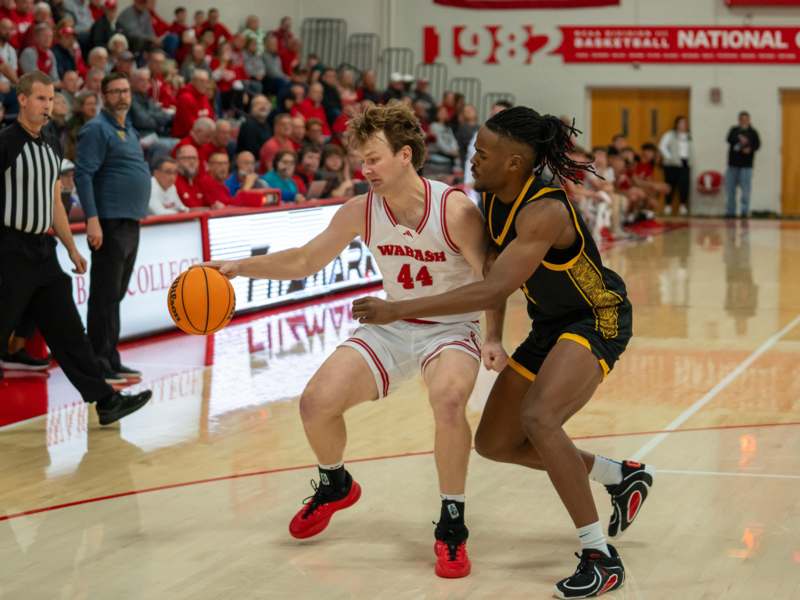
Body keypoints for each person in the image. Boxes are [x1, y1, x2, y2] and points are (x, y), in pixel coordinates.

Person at [353, 106, 655, 598]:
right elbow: (490, 275)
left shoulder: (545, 211)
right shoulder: (491, 199)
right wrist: (492, 337)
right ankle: (618, 477)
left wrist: (398, 309)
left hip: (595, 316)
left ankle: (600, 555)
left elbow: (491, 287)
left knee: (540, 419)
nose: (473, 159)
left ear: (515, 162)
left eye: (483, 153)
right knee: (494, 442)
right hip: (549, 324)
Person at [203, 103, 495, 579]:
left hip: (451, 327)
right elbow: (304, 261)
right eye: (362, 158)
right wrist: (240, 267)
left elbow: (491, 283)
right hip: (393, 326)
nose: (365, 168)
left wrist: (495, 338)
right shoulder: (361, 210)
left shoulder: (454, 209)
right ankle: (336, 483)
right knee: (316, 403)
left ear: (406, 155)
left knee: (448, 399)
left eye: (374, 158)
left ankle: (452, 523)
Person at [0, 71, 151, 423]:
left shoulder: (51, 142)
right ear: (22, 100)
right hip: (10, 249)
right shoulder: (7, 142)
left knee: (68, 330)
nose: (48, 105)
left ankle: (105, 400)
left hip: (43, 249)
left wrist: (70, 247)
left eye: (51, 99)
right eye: (40, 98)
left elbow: (54, 199)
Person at [75, 72, 151, 382]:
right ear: (104, 95)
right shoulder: (96, 129)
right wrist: (92, 219)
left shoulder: (128, 129)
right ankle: (98, 364)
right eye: (115, 91)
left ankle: (111, 357)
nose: (122, 96)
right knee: (104, 295)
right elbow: (83, 174)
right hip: (109, 222)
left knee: (115, 295)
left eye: (125, 90)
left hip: (130, 221)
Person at [725, 111, 761, 219]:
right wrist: (741, 141)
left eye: (746, 119)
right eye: (742, 119)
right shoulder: (734, 130)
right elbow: (729, 139)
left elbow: (757, 145)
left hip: (746, 166)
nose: (744, 121)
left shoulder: (753, 132)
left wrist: (750, 149)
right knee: (730, 190)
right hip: (733, 165)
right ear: (739, 120)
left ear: (749, 120)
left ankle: (744, 212)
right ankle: (730, 213)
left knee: (745, 191)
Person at [659, 116, 692, 216]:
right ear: (676, 124)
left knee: (684, 185)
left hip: (685, 162)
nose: (683, 125)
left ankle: (683, 206)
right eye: (681, 123)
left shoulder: (689, 135)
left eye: (684, 123)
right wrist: (669, 157)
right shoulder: (669, 135)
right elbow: (662, 146)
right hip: (671, 164)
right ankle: (667, 205)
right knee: (670, 184)